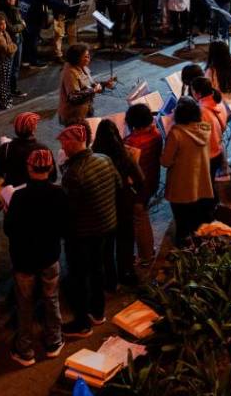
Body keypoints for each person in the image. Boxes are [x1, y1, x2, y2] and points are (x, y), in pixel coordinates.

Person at [2, 148, 67, 366]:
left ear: (29, 168)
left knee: (24, 304)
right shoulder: (59, 193)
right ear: (50, 168)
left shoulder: (19, 197)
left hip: (24, 259)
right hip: (49, 255)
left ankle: (25, 350)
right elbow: (64, 225)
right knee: (51, 298)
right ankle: (54, 341)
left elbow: (9, 229)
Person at [57, 123, 120, 338]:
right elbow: (118, 185)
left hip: (82, 234)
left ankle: (82, 323)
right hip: (106, 226)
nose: (62, 147)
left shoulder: (74, 174)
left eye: (64, 143)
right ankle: (98, 312)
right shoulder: (104, 159)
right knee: (97, 269)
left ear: (74, 144)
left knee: (79, 277)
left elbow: (67, 210)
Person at [91, 120, 146, 287]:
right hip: (123, 201)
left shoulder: (94, 156)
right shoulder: (125, 154)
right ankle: (126, 272)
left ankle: (110, 279)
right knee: (125, 240)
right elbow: (140, 179)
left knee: (107, 244)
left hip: (103, 203)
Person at [161, 97, 215, 244]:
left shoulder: (176, 134)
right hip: (201, 184)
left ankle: (184, 254)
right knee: (196, 223)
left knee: (182, 227)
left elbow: (165, 162)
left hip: (181, 187)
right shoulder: (205, 128)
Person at [122, 104, 162, 269]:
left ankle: (146, 256)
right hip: (151, 181)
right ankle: (148, 251)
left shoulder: (132, 143)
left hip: (137, 189)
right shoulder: (156, 135)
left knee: (140, 217)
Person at [0, 112, 58, 187]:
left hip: (12, 194)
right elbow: (53, 177)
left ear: (16, 128)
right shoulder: (43, 150)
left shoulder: (6, 148)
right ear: (33, 129)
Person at [57, 43, 116, 125]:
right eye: (85, 56)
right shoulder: (70, 73)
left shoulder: (83, 67)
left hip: (84, 110)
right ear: (76, 58)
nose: (89, 58)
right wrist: (93, 90)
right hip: (73, 115)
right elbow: (74, 97)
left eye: (88, 55)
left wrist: (104, 84)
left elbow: (89, 83)